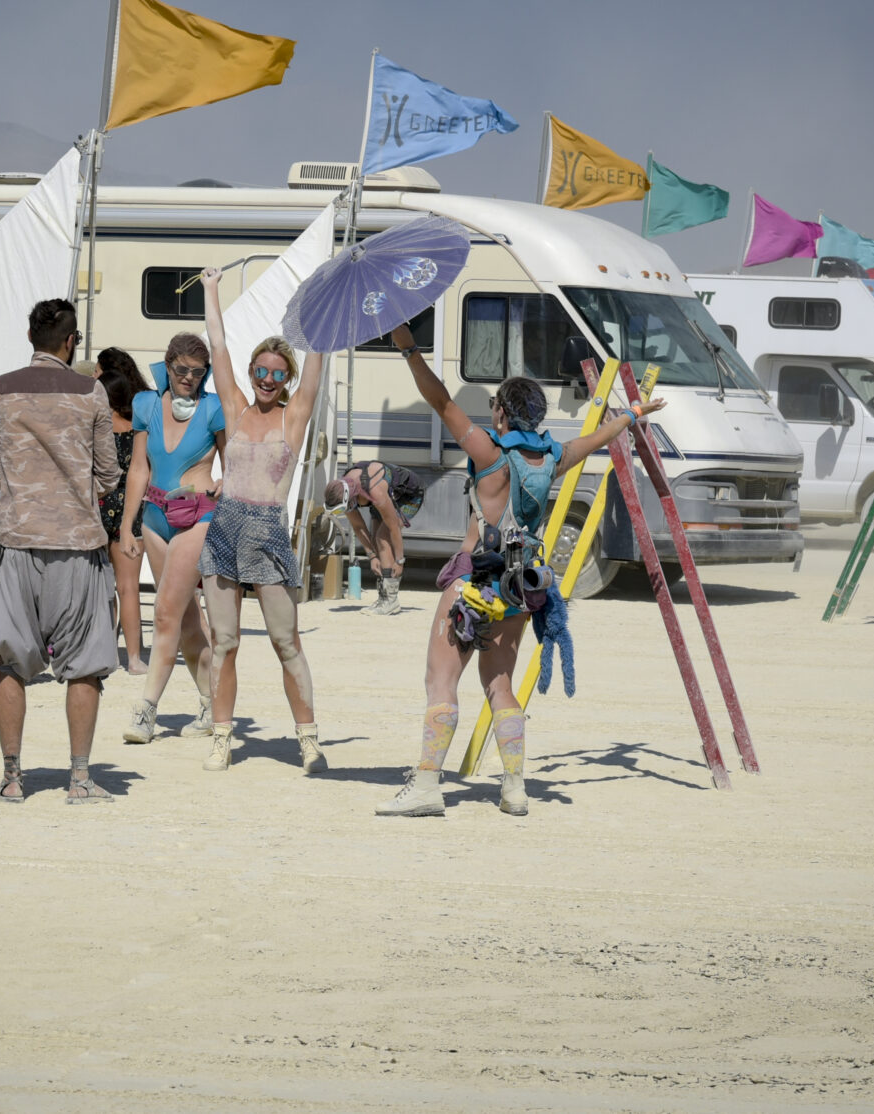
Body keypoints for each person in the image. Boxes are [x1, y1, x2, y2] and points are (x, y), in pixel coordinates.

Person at [374, 324, 665, 818]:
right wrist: (634, 414)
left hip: (472, 583)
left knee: (440, 684)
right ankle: (513, 789)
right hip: (518, 588)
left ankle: (426, 786)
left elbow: (440, 400)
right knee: (500, 686)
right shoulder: (553, 458)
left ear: (502, 413)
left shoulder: (489, 455)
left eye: (495, 408)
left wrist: (407, 348)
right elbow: (598, 437)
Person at [0, 299, 123, 804]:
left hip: (16, 541)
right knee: (84, 664)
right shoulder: (92, 392)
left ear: (30, 337)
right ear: (70, 341)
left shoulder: (0, 389)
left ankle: (12, 778)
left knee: (10, 661)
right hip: (77, 545)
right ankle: (80, 780)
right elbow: (108, 475)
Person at [194, 268, 328, 773]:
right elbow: (218, 343)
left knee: (285, 641)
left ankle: (309, 739)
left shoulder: (294, 417)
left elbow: (316, 366)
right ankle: (222, 736)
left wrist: (321, 318)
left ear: (287, 379)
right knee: (224, 641)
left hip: (269, 532)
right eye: (261, 372)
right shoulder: (234, 408)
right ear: (251, 373)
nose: (268, 381)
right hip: (226, 528)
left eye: (278, 374)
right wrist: (211, 289)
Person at [116, 332, 225, 744]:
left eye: (197, 373)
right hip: (154, 517)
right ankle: (212, 703)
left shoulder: (213, 408)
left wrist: (222, 481)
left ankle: (145, 710)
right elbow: (138, 470)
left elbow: (234, 464)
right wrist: (127, 526)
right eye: (181, 370)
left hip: (197, 517)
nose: (188, 378)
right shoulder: (145, 404)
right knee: (186, 619)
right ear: (168, 364)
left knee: (164, 613)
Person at [95, 350, 151, 674]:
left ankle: (105, 652)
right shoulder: (140, 426)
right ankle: (133, 659)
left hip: (98, 508)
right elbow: (147, 470)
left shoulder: (97, 426)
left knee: (101, 587)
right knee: (128, 588)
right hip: (132, 510)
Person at [324, 460, 426, 615]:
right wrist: (372, 556)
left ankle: (391, 600)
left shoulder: (374, 490)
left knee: (382, 537)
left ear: (350, 496)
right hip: (385, 496)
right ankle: (383, 598)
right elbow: (358, 527)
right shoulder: (344, 490)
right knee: (377, 545)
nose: (346, 512)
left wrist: (400, 560)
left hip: (408, 495)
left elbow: (393, 529)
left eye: (343, 509)